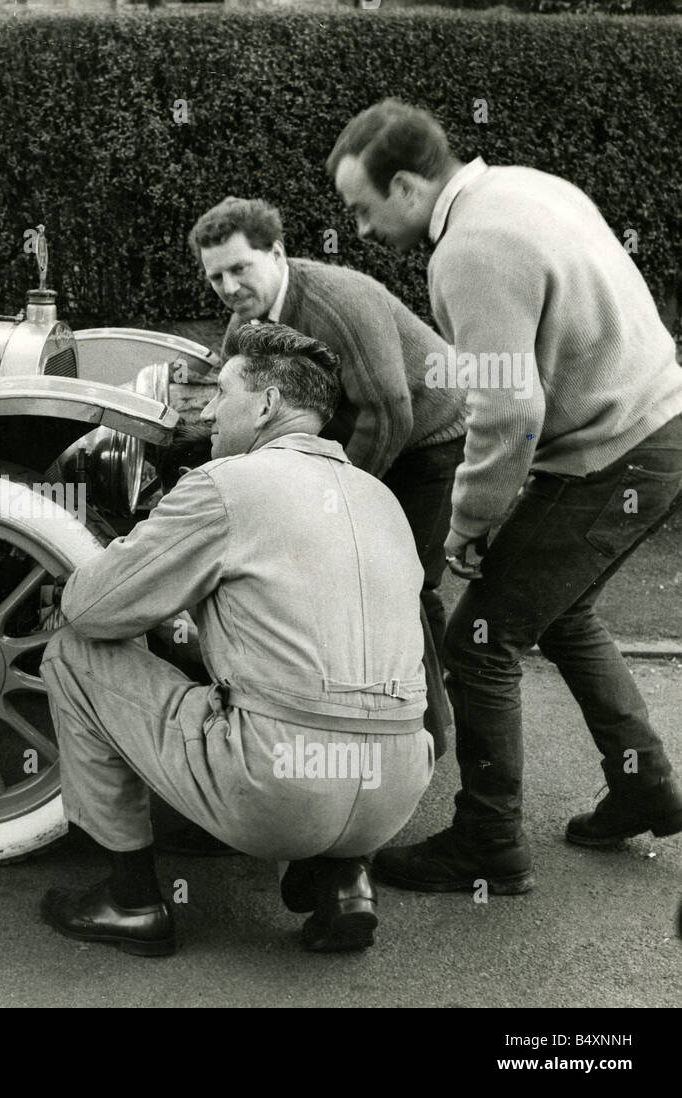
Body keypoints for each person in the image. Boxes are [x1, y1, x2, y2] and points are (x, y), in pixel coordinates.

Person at [327, 98, 682, 895]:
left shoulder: (470, 250)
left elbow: (507, 407)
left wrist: (469, 522)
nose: (359, 229)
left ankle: (487, 843)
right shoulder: (526, 186)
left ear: (411, 186)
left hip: (612, 455)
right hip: (661, 429)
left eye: (363, 207)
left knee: (478, 640)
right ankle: (644, 786)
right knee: (561, 614)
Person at [38, 323, 435, 956]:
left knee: (72, 653)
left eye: (222, 393)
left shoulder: (223, 485)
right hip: (396, 790)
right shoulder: (381, 497)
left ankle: (131, 901)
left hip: (278, 789)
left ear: (268, 405)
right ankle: (344, 884)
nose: (210, 410)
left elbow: (92, 610)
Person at [189, 197, 466, 760]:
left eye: (240, 268)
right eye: (216, 275)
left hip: (432, 439)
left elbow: (389, 414)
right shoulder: (246, 322)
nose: (228, 285)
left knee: (404, 583)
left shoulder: (339, 300)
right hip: (365, 429)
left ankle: (432, 738)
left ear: (277, 253)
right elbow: (243, 407)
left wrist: (334, 502)